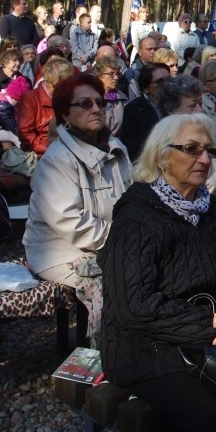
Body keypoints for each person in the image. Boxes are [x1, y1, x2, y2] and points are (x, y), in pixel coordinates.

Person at [99, 114, 216, 432]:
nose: (205, 159)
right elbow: (134, 306)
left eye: (209, 150)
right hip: (145, 349)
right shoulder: (137, 217)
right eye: (191, 149)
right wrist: (214, 329)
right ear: (162, 157)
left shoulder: (213, 212)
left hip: (208, 334)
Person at [23, 73, 131, 339]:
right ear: (65, 115)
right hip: (59, 250)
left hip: (111, 240)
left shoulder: (116, 146)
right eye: (84, 104)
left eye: (99, 102)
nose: (95, 109)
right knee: (122, 282)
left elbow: (131, 199)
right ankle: (106, 354)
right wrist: (127, 241)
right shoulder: (56, 161)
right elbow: (74, 225)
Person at [16, 57, 76, 156]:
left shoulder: (71, 95)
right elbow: (25, 134)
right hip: (43, 151)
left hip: (69, 146)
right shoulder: (31, 98)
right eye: (58, 85)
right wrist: (49, 148)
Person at [118, 62, 171, 161]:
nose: (167, 85)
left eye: (169, 80)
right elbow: (132, 148)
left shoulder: (178, 103)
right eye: (160, 82)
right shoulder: (134, 110)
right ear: (146, 88)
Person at [90, 55, 128, 136]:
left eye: (118, 74)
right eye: (111, 74)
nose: (116, 78)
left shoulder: (122, 98)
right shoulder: (93, 99)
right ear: (99, 76)